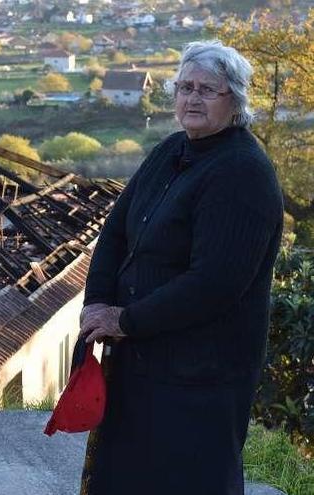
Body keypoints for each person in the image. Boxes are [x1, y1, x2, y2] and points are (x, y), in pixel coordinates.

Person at [78, 40, 284, 495]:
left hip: (200, 374)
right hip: (141, 360)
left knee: (189, 480)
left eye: (208, 90)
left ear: (235, 101)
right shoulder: (170, 151)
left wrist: (126, 320)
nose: (192, 99)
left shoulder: (242, 174)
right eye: (184, 87)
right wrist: (98, 304)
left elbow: (215, 284)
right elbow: (115, 233)